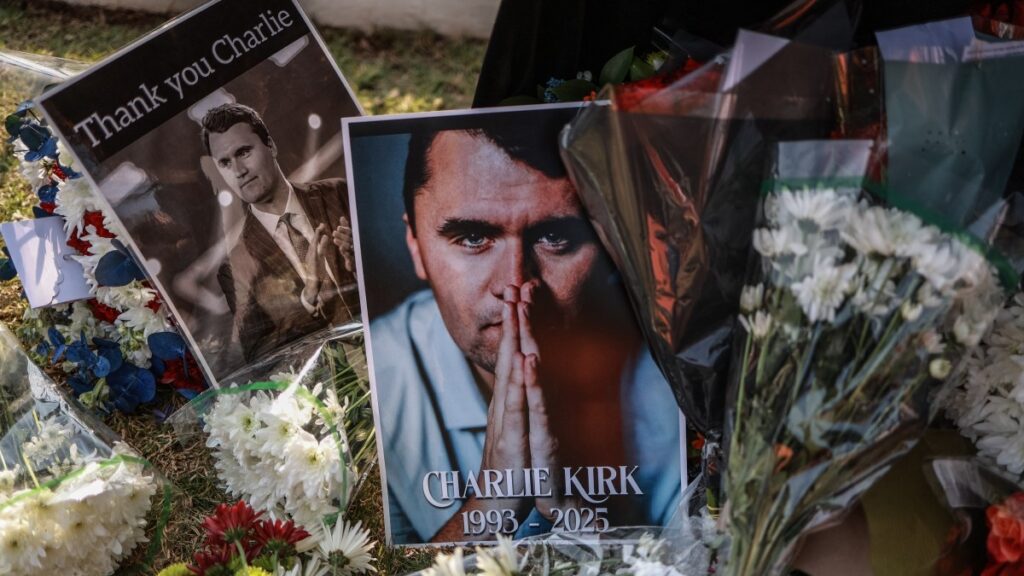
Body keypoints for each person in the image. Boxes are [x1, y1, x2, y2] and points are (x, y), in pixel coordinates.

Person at [368, 119, 682, 544]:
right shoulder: (367, 385)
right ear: (415, 244)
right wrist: (491, 507)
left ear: (612, 242)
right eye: (473, 237)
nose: (514, 283)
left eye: (555, 236)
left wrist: (573, 513)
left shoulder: (678, 371)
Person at [202, 103, 357, 364]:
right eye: (225, 163)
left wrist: (366, 258)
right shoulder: (235, 267)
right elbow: (260, 356)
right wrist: (307, 299)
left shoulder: (339, 193)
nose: (238, 170)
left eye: (244, 152)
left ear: (271, 146)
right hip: (339, 389)